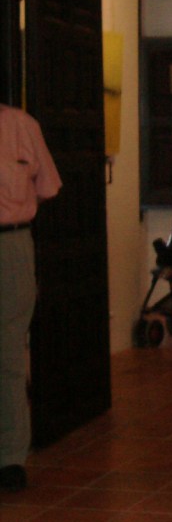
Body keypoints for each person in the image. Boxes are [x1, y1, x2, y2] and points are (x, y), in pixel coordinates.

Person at [1, 103, 62, 493]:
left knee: (8, 354)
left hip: (11, 245)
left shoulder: (22, 125)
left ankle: (9, 458)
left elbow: (48, 187)